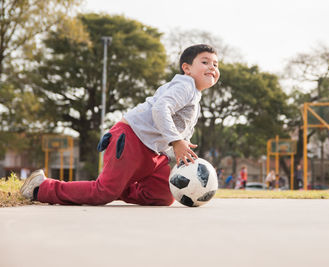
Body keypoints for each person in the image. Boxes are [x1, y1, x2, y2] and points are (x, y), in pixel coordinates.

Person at [20, 44, 220, 206]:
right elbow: (160, 109)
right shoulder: (185, 85)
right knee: (102, 193)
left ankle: (116, 187)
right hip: (131, 137)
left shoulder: (194, 96)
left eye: (216, 65)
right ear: (187, 68)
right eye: (205, 62)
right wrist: (176, 140)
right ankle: (41, 188)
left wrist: (181, 153)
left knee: (160, 195)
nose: (212, 67)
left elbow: (181, 132)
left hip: (152, 151)